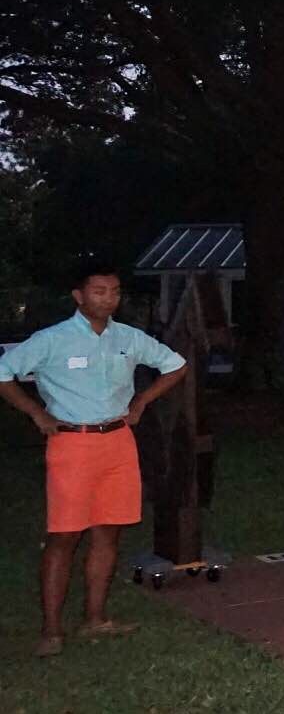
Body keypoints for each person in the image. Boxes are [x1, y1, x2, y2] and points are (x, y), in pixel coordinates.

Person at [0, 263, 187, 657]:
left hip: (118, 441)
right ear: (79, 296)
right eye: (99, 291)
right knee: (64, 537)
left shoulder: (128, 338)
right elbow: (3, 372)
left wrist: (141, 401)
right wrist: (36, 413)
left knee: (109, 531)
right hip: (72, 443)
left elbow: (175, 365)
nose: (108, 298)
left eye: (115, 291)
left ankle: (95, 618)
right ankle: (52, 629)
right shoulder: (52, 340)